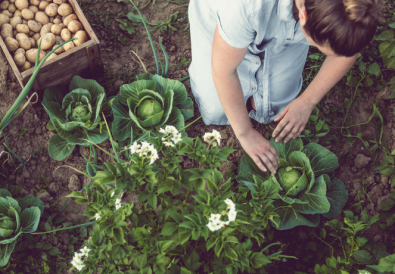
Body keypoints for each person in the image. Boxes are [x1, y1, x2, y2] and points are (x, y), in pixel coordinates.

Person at [188, 0, 381, 174]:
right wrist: (245, 134)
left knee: (274, 109)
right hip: (222, 25)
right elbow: (223, 71)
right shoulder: (244, 7)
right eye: (320, 46)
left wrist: (307, 101)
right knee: (216, 109)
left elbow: (346, 51)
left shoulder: (353, 8)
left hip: (288, 33)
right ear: (304, 16)